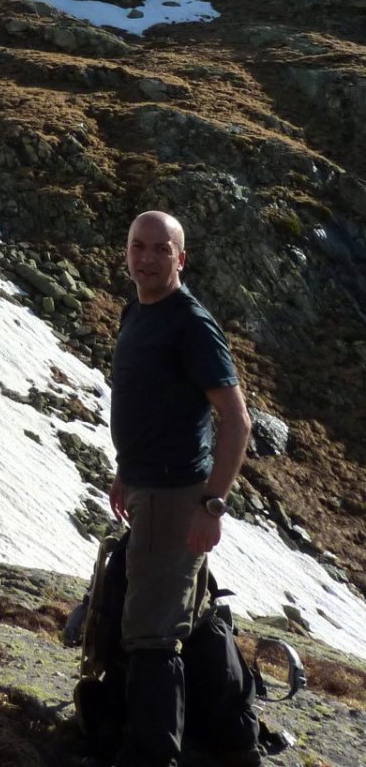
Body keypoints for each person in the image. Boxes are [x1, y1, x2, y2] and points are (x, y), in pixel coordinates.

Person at [107, 211, 257, 767]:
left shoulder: (190, 324)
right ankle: (231, 738)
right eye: (136, 247)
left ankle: (151, 756)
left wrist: (212, 505)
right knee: (183, 616)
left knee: (150, 631)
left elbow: (237, 421)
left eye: (158, 249)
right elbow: (148, 400)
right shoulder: (138, 310)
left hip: (178, 495)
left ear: (180, 258)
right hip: (147, 485)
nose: (145, 258)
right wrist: (127, 468)